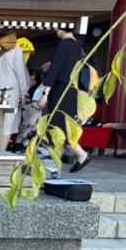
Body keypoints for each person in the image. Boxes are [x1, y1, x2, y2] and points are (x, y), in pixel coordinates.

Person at [37, 29, 91, 173]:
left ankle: (79, 154)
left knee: (57, 126)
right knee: (61, 126)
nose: (56, 31)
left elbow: (55, 69)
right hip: (71, 90)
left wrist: (45, 93)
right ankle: (57, 164)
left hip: (61, 89)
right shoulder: (77, 47)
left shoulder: (65, 44)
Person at [0, 42, 30, 150]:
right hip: (10, 89)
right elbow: (21, 72)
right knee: (7, 124)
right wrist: (24, 92)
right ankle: (0, 152)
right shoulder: (15, 48)